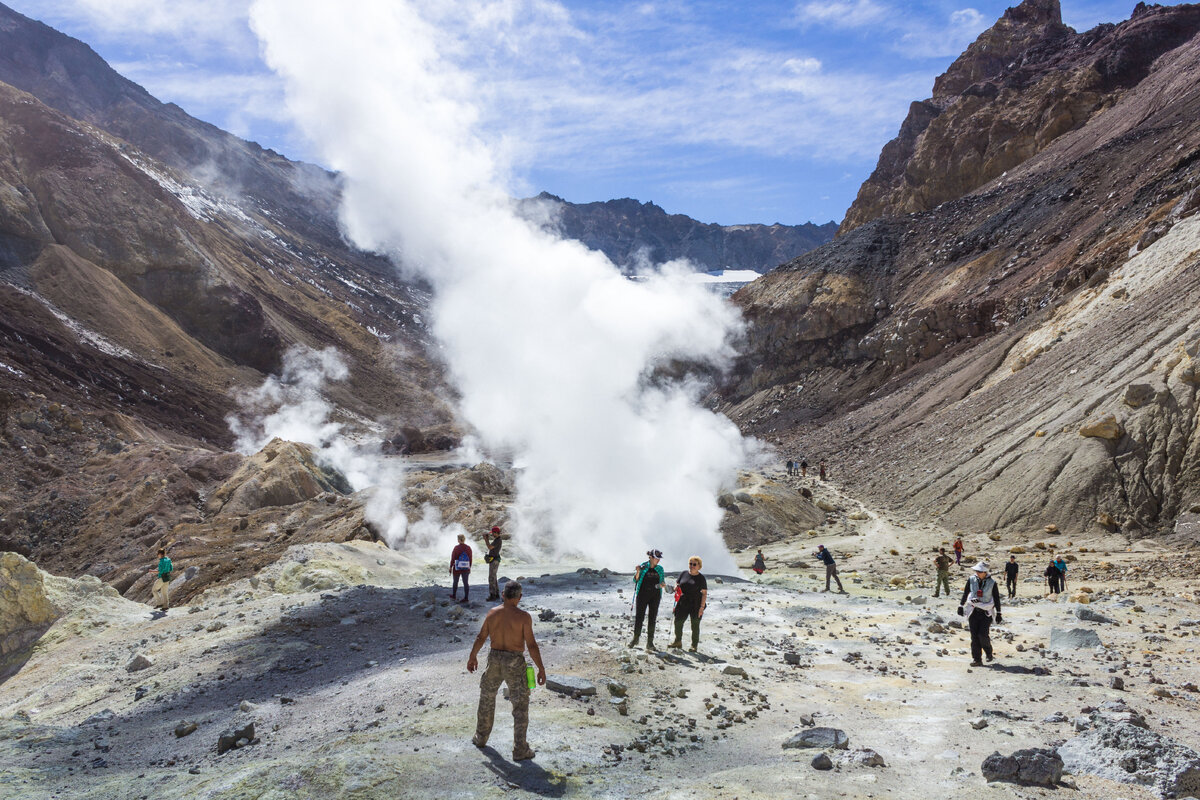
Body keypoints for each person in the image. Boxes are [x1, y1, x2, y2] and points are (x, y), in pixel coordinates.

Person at [467, 581, 546, 761]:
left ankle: (480, 737)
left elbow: (481, 637)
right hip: (514, 661)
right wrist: (541, 668)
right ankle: (520, 749)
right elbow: (531, 645)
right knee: (520, 705)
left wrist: (472, 656)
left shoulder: (492, 613)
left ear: (503, 595)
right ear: (519, 597)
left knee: (487, 697)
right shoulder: (524, 617)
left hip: (494, 659)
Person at [958, 560, 1002, 666]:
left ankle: (988, 652)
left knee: (983, 635)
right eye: (976, 570)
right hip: (973, 612)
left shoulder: (992, 583)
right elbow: (966, 592)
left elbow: (996, 598)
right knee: (974, 636)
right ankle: (977, 659)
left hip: (985, 613)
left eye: (979, 571)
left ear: (985, 572)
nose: (977, 572)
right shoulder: (971, 579)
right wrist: (961, 605)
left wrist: (999, 613)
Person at [629, 549, 666, 651]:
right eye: (656, 558)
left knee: (652, 618)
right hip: (642, 595)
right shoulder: (643, 566)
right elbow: (635, 580)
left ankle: (650, 643)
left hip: (655, 596)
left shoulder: (660, 569)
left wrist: (661, 585)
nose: (658, 560)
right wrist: (637, 571)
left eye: (659, 559)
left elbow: (662, 583)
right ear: (650, 557)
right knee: (639, 617)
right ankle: (635, 639)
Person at [669, 556, 708, 652]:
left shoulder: (701, 578)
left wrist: (702, 607)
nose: (692, 566)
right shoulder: (683, 573)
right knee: (678, 622)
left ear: (699, 566)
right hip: (683, 602)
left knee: (695, 624)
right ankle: (678, 641)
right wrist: (676, 587)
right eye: (690, 564)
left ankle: (694, 645)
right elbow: (677, 583)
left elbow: (704, 593)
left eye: (694, 564)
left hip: (696, 604)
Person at [450, 533, 472, 603]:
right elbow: (470, 559)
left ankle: (454, 595)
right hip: (466, 568)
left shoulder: (456, 548)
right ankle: (466, 598)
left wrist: (450, 567)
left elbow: (453, 558)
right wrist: (469, 567)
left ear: (459, 540)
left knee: (455, 582)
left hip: (457, 568)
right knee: (466, 583)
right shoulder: (468, 548)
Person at [485, 527, 503, 601]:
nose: (492, 534)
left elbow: (489, 547)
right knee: (494, 577)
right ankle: (496, 594)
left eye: (493, 533)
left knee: (491, 578)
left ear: (496, 533)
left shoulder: (498, 540)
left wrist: (486, 539)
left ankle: (492, 595)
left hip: (494, 561)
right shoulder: (497, 540)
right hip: (494, 560)